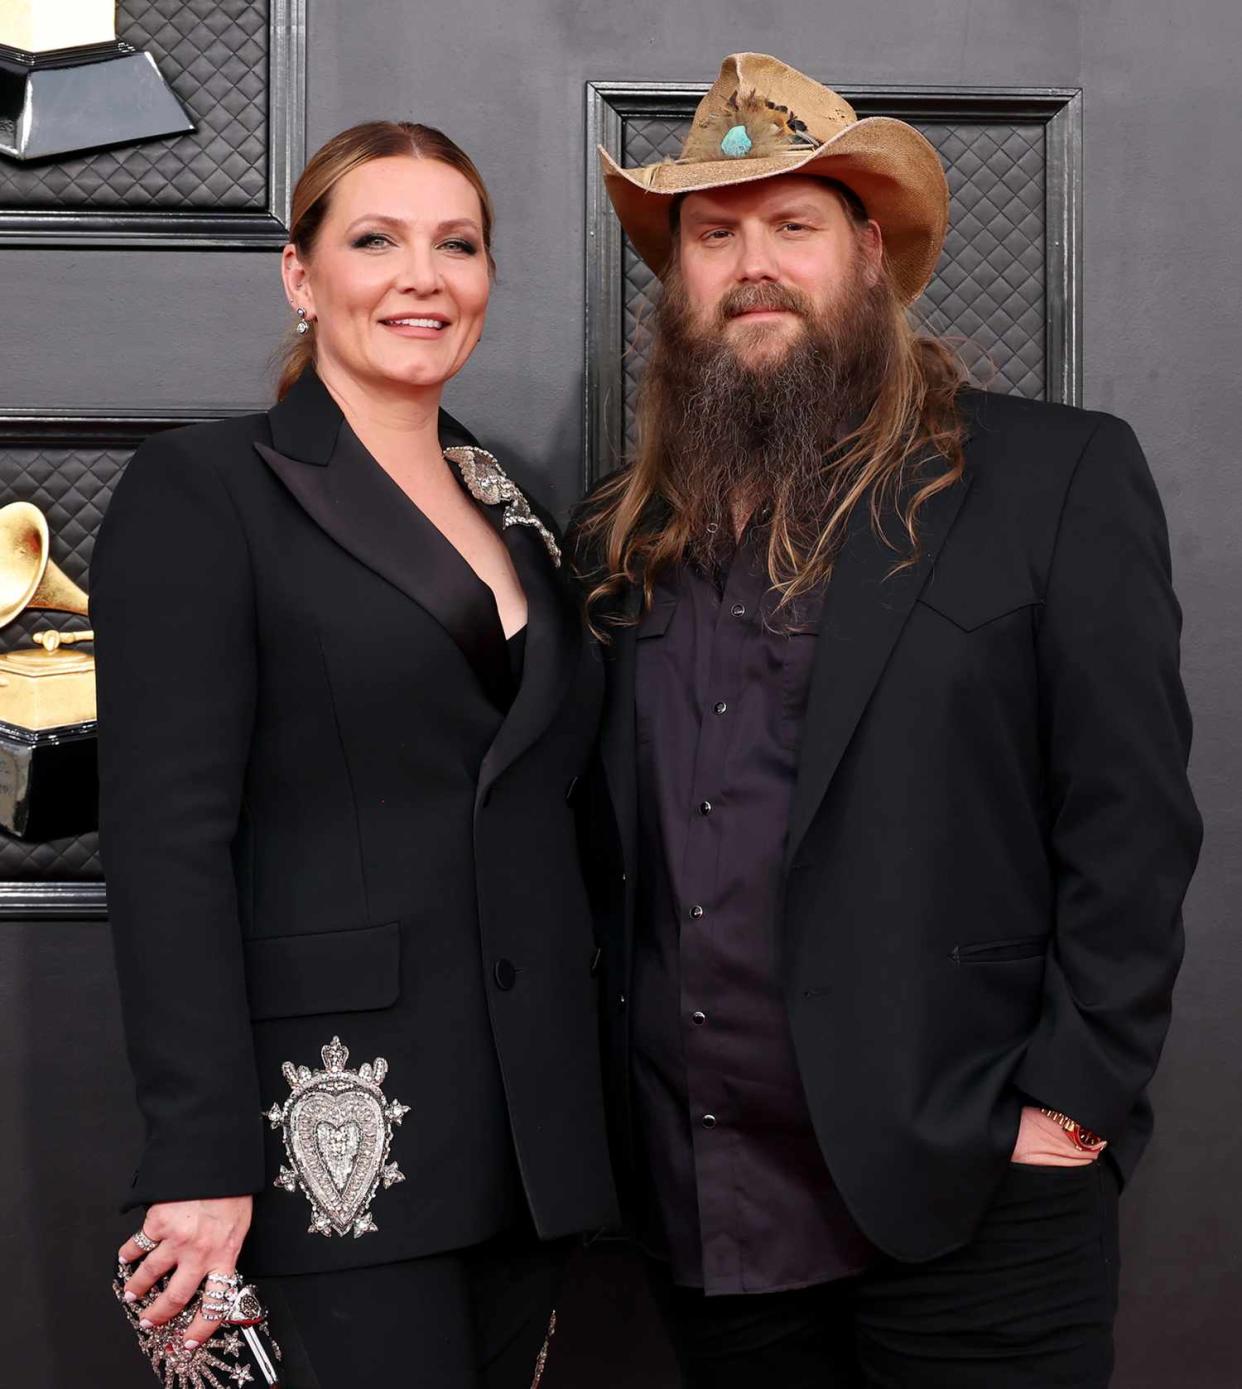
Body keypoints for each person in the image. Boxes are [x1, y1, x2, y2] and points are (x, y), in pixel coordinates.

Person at [572, 52, 1201, 1388]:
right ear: (676, 277)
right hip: (708, 1214)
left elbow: (1129, 818)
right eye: (713, 233)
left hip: (972, 1193)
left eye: (792, 226)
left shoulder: (1050, 477)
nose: (753, 264)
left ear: (866, 254)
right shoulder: (612, 542)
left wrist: (1066, 1109)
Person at [93, 120, 616, 1388]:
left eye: (459, 245)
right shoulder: (206, 490)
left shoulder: (516, 501)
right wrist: (201, 1156)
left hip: (526, 1136)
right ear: (299, 274)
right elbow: (167, 847)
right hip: (328, 1125)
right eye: (375, 240)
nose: (421, 278)